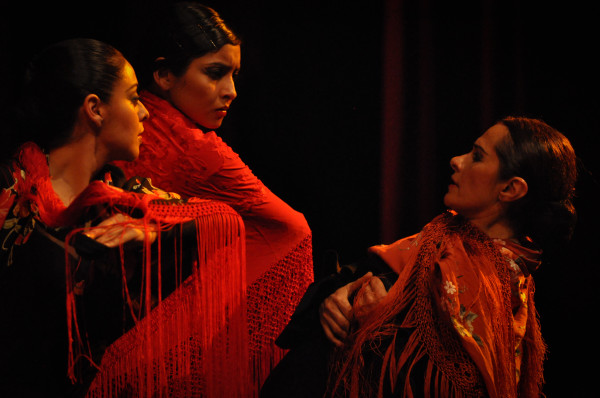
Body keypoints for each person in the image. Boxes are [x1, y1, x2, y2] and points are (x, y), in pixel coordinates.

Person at [0, 38, 249, 397]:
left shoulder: (122, 197)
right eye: (133, 98)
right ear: (95, 109)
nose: (145, 112)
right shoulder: (12, 189)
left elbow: (226, 222)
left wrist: (146, 232)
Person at [261, 116, 577, 397]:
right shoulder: (436, 243)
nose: (456, 160)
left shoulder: (496, 287)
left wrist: (377, 324)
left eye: (477, 157)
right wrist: (336, 296)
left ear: (510, 189)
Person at [112, 1, 314, 388]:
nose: (232, 91)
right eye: (215, 73)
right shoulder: (197, 147)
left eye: (234, 75)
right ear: (164, 74)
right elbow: (292, 232)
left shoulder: (127, 120)